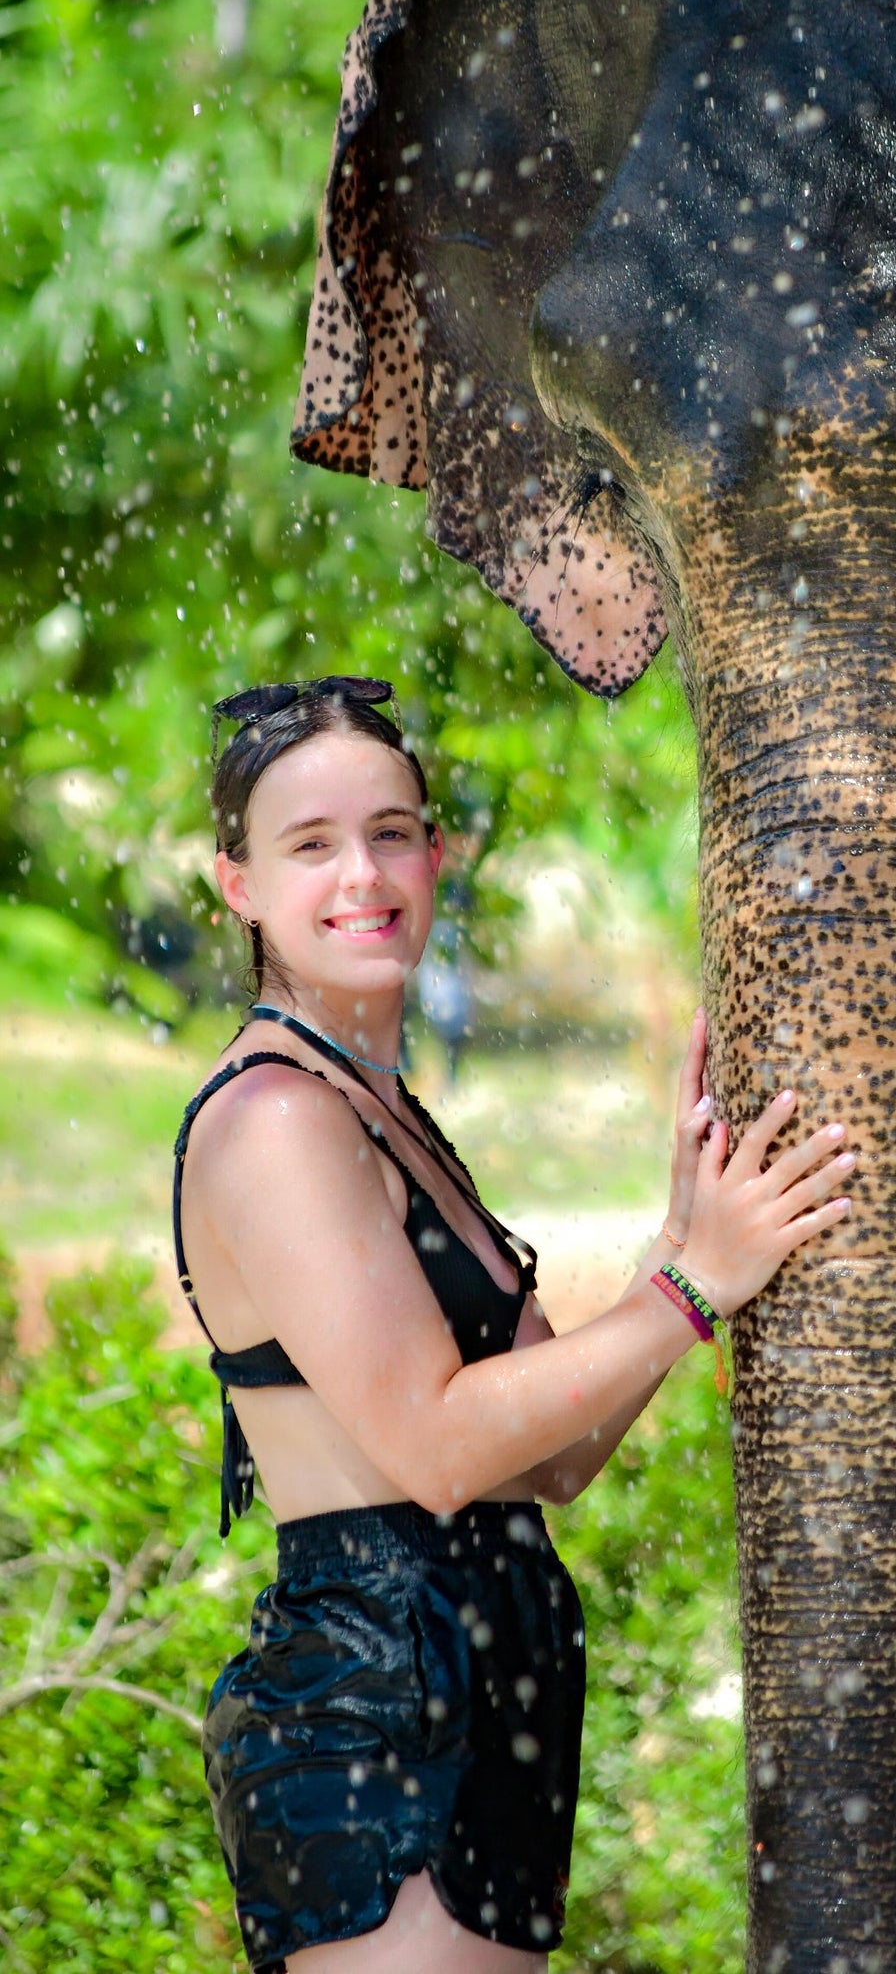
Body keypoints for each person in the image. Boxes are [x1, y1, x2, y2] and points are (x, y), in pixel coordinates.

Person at [174, 675, 856, 1972]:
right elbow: (435, 1451)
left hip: (480, 1705)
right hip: (378, 1717)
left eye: (390, 832)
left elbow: (553, 1457)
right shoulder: (274, 1122)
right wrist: (692, 1288)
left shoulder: (377, 1109)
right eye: (309, 845)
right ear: (237, 883)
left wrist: (679, 1238)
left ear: (438, 855)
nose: (361, 874)